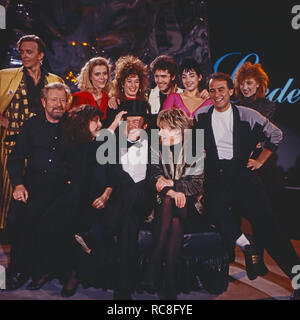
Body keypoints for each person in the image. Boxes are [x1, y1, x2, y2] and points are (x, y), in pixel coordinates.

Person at [194, 72, 300, 299]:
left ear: (231, 92)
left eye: (222, 89)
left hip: (243, 176)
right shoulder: (201, 115)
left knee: (271, 232)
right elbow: (196, 144)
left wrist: (260, 160)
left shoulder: (247, 114)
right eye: (212, 90)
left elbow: (276, 134)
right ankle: (249, 247)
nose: (217, 94)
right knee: (213, 210)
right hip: (217, 178)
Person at [35, 105, 117, 298]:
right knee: (47, 221)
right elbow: (65, 169)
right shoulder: (73, 144)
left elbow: (113, 175)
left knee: (76, 223)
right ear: (82, 123)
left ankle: (74, 273)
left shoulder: (104, 144)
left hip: (96, 197)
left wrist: (105, 196)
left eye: (100, 120)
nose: (99, 124)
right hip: (73, 194)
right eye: (94, 120)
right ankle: (51, 269)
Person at [76, 99, 154, 300]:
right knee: (128, 224)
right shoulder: (113, 144)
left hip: (144, 198)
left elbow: (155, 175)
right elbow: (107, 167)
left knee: (137, 188)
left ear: (145, 126)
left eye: (137, 121)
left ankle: (97, 233)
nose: (133, 125)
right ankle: (123, 289)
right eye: (129, 121)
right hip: (123, 202)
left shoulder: (154, 144)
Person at [5, 82, 70, 291]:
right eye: (53, 100)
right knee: (18, 213)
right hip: (33, 183)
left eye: (62, 100)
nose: (58, 104)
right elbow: (14, 160)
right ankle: (17, 270)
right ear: (43, 102)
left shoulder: (73, 125)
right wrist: (18, 185)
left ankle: (42, 269)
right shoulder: (31, 125)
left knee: (40, 214)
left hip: (62, 186)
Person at [0, 34, 64, 229]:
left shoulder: (54, 81)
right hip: (10, 147)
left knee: (35, 206)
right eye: (22, 52)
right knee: (8, 199)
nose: (24, 56)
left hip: (42, 150)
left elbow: (63, 112)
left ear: (41, 55)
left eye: (30, 52)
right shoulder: (6, 76)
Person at [143, 108, 205, 299]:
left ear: (176, 129)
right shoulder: (156, 147)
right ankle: (170, 282)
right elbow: (153, 176)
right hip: (164, 204)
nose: (159, 132)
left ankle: (154, 263)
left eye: (162, 128)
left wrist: (175, 184)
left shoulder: (195, 149)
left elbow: (196, 184)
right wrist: (171, 190)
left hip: (191, 206)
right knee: (175, 222)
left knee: (172, 204)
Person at [106, 55, 149, 125]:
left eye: (136, 81)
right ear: (122, 83)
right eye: (129, 81)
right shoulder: (115, 104)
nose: (133, 85)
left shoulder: (145, 103)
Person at [71, 57, 111, 126]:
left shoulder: (109, 98)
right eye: (97, 74)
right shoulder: (79, 97)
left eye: (104, 73)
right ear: (89, 76)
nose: (102, 78)